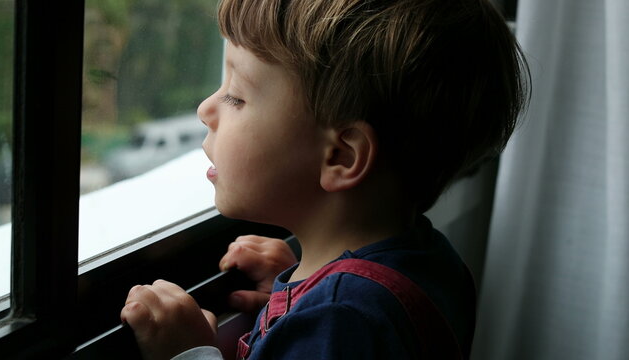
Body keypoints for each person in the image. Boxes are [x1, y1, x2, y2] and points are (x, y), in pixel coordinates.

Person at [120, 0, 530, 358]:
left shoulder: (340, 320)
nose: (206, 109)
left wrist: (190, 353)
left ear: (341, 156)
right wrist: (305, 276)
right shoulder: (431, 261)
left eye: (236, 97)